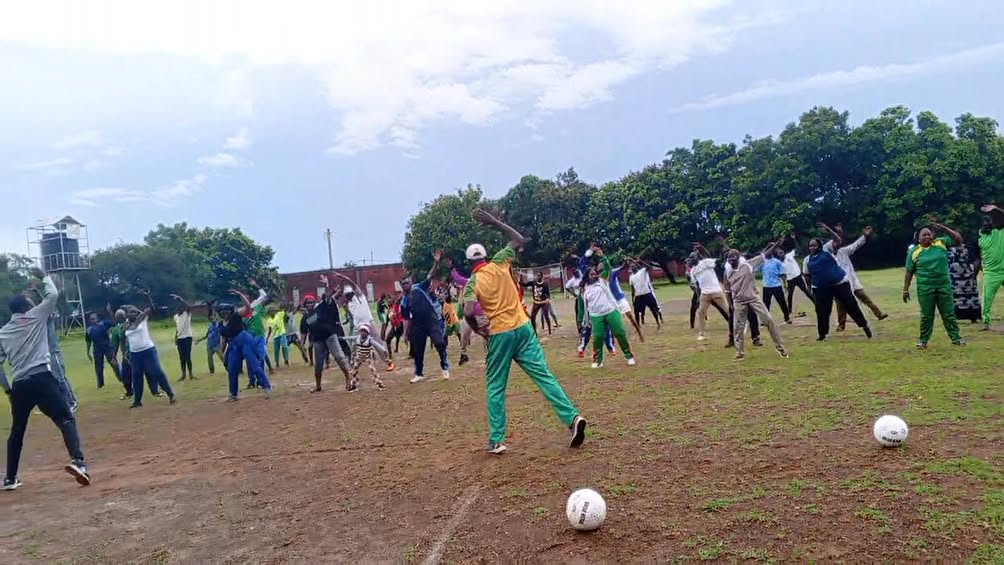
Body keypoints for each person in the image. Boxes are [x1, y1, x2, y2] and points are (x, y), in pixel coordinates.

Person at [463, 208, 587, 454]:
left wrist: (479, 330)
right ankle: (572, 418)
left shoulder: (472, 282)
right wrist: (495, 222)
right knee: (544, 376)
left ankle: (497, 440)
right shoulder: (500, 261)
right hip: (523, 327)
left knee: (496, 387)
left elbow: (468, 311)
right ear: (485, 256)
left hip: (500, 333)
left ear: (469, 263)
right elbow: (519, 239)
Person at [0, 265, 90, 491]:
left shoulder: (3, 333)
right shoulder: (35, 316)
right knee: (66, 418)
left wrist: (8, 390)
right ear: (25, 307)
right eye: (30, 302)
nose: (33, 304)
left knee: (17, 431)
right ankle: (79, 462)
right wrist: (43, 277)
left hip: (19, 384)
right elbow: (53, 295)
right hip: (41, 377)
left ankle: (10, 478)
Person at [723, 240, 790, 361]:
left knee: (768, 320)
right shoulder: (728, 272)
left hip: (753, 298)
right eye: (729, 260)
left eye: (733, 259)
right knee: (737, 327)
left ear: (738, 258)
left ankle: (781, 348)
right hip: (738, 301)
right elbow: (727, 288)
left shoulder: (748, 265)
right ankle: (739, 352)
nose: (731, 262)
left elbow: (764, 255)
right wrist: (730, 303)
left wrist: (776, 245)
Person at [903, 223, 965, 348]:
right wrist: (905, 290)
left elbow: (958, 240)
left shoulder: (940, 243)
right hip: (925, 288)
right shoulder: (914, 252)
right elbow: (909, 272)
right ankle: (923, 340)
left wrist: (944, 228)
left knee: (948, 314)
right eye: (924, 235)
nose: (927, 237)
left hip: (944, 286)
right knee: (927, 315)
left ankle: (956, 338)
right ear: (918, 239)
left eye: (929, 234)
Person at [817, 223, 888, 330]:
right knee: (841, 305)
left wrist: (864, 236)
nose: (836, 245)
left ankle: (879, 314)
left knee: (865, 299)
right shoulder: (827, 256)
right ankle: (841, 325)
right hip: (839, 285)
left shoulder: (844, 251)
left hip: (852, 282)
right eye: (834, 244)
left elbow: (855, 244)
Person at [805, 234, 872, 342]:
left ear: (820, 246)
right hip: (821, 288)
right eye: (810, 246)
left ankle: (864, 325)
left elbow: (837, 239)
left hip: (839, 283)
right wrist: (810, 289)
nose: (812, 248)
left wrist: (828, 229)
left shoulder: (826, 251)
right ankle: (822, 334)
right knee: (822, 311)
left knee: (851, 305)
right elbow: (807, 275)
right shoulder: (807, 260)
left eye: (814, 245)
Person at [581, 247, 637, 368]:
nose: (594, 275)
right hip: (596, 315)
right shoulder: (585, 288)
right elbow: (585, 306)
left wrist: (602, 256)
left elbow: (607, 267)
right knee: (598, 338)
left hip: (611, 311)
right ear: (587, 276)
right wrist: (586, 320)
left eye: (595, 273)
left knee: (619, 333)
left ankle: (629, 356)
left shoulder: (603, 280)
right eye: (591, 274)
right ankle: (597, 361)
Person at [120, 291, 177, 408]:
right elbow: (122, 338)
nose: (133, 313)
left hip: (148, 351)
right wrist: (124, 353)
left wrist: (147, 296)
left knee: (157, 372)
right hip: (135, 354)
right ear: (127, 314)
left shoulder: (142, 319)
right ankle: (137, 401)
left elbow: (151, 307)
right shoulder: (125, 325)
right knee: (136, 376)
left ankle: (170, 394)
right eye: (130, 312)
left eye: (135, 312)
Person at [401, 251, 450, 384]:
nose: (406, 285)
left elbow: (430, 274)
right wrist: (405, 334)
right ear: (401, 286)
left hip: (432, 321)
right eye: (403, 284)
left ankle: (445, 367)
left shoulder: (420, 287)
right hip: (418, 325)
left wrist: (436, 262)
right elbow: (406, 319)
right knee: (418, 350)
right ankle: (419, 373)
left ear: (411, 282)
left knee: (440, 343)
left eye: (407, 282)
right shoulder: (404, 301)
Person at [333, 274, 396, 372]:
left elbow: (352, 284)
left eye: (349, 294)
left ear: (353, 293)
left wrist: (343, 278)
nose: (348, 296)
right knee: (353, 346)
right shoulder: (348, 304)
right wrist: (340, 285)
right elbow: (337, 297)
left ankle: (389, 362)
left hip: (369, 323)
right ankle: (353, 365)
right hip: (358, 327)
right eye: (346, 295)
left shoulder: (360, 297)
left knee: (378, 344)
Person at [302, 285, 352, 392]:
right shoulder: (305, 318)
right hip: (318, 340)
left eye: (311, 302)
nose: (310, 304)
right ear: (305, 305)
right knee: (318, 364)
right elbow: (304, 332)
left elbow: (329, 297)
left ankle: (348, 378)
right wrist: (302, 346)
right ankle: (318, 386)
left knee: (339, 357)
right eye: (307, 303)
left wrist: (327, 285)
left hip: (330, 336)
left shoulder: (320, 308)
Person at [220, 310, 272, 400]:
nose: (225, 314)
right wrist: (223, 353)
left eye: (226, 312)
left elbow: (246, 310)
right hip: (234, 345)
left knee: (254, 366)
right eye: (223, 313)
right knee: (232, 369)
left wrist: (244, 299)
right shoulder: (221, 325)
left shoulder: (235, 317)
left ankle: (266, 387)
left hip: (246, 342)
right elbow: (224, 340)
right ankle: (233, 394)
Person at [689, 246, 732, 343]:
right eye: (690, 259)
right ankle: (701, 334)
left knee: (727, 310)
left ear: (697, 258)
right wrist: (698, 297)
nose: (691, 260)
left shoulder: (706, 262)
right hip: (705, 294)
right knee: (701, 312)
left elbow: (717, 260)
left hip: (716, 292)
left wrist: (703, 249)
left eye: (693, 258)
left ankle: (739, 325)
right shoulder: (693, 271)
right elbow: (697, 285)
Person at [978, 204, 1004, 330]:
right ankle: (986, 323)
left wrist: (995, 209)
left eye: (988, 223)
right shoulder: (982, 239)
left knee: (987, 299)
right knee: (987, 299)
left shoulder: (999, 232)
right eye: (984, 224)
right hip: (991, 273)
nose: (986, 225)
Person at [947, 239, 982, 324]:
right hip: (955, 275)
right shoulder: (948, 248)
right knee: (955, 296)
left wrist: (974, 273)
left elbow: (977, 260)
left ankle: (973, 316)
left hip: (967, 274)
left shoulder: (969, 247)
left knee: (971, 297)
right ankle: (956, 315)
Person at [84, 311, 122, 388]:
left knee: (114, 364)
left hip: (108, 347)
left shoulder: (104, 323)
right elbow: (88, 342)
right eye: (91, 319)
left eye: (94, 319)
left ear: (97, 318)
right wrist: (88, 352)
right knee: (98, 367)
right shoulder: (89, 330)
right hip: (97, 349)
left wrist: (110, 311)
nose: (92, 320)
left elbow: (114, 323)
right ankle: (100, 384)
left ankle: (121, 378)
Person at [344, 323, 385, 391]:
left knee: (373, 370)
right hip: (359, 357)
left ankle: (379, 384)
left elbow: (377, 345)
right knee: (354, 371)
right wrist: (341, 338)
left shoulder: (370, 340)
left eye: (364, 331)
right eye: (361, 331)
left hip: (368, 357)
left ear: (367, 333)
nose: (363, 333)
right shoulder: (357, 338)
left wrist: (383, 350)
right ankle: (354, 385)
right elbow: (349, 338)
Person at [780, 234, 813, 314]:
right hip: (790, 280)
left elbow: (797, 249)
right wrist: (784, 284)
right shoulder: (780, 263)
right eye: (780, 253)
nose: (781, 254)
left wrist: (794, 239)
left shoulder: (789, 255)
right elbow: (783, 275)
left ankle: (816, 303)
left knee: (806, 291)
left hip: (797, 276)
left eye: (782, 252)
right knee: (790, 295)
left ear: (784, 252)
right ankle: (789, 310)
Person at [629, 259, 662, 330]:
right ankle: (638, 326)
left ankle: (658, 323)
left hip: (647, 294)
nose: (633, 267)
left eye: (634, 266)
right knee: (636, 312)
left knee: (653, 309)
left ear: (636, 266)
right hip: (638, 296)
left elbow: (649, 267)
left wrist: (640, 261)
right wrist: (633, 299)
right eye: (631, 266)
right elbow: (632, 289)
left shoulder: (642, 271)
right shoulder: (631, 277)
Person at [759, 248, 791, 323]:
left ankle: (787, 318)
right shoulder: (763, 262)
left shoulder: (777, 262)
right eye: (767, 251)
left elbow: (782, 274)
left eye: (770, 251)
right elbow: (755, 269)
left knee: (782, 303)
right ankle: (765, 320)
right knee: (766, 304)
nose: (768, 253)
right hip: (767, 286)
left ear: (772, 252)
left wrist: (785, 284)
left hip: (777, 286)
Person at [169, 294, 196, 381]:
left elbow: (187, 306)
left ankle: (190, 374)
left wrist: (180, 299)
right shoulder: (176, 317)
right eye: (178, 309)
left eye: (181, 308)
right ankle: (183, 375)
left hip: (187, 337)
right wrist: (175, 338)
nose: (179, 310)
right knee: (182, 357)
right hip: (180, 338)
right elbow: (178, 328)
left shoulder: (186, 314)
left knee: (187, 356)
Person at [196, 303, 226, 374]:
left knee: (222, 358)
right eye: (211, 319)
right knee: (209, 359)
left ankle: (228, 367)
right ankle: (211, 371)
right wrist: (199, 340)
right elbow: (207, 335)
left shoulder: (218, 325)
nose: (212, 319)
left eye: (213, 318)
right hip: (209, 345)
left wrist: (211, 308)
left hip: (216, 345)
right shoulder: (210, 326)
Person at [523, 271, 553, 336]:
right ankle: (534, 331)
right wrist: (517, 281)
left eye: (539, 276)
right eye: (537, 276)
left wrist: (548, 299)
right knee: (532, 317)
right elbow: (525, 284)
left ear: (542, 277)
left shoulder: (545, 284)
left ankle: (549, 330)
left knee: (546, 316)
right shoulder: (533, 282)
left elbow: (548, 293)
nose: (537, 277)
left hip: (543, 302)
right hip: (536, 303)